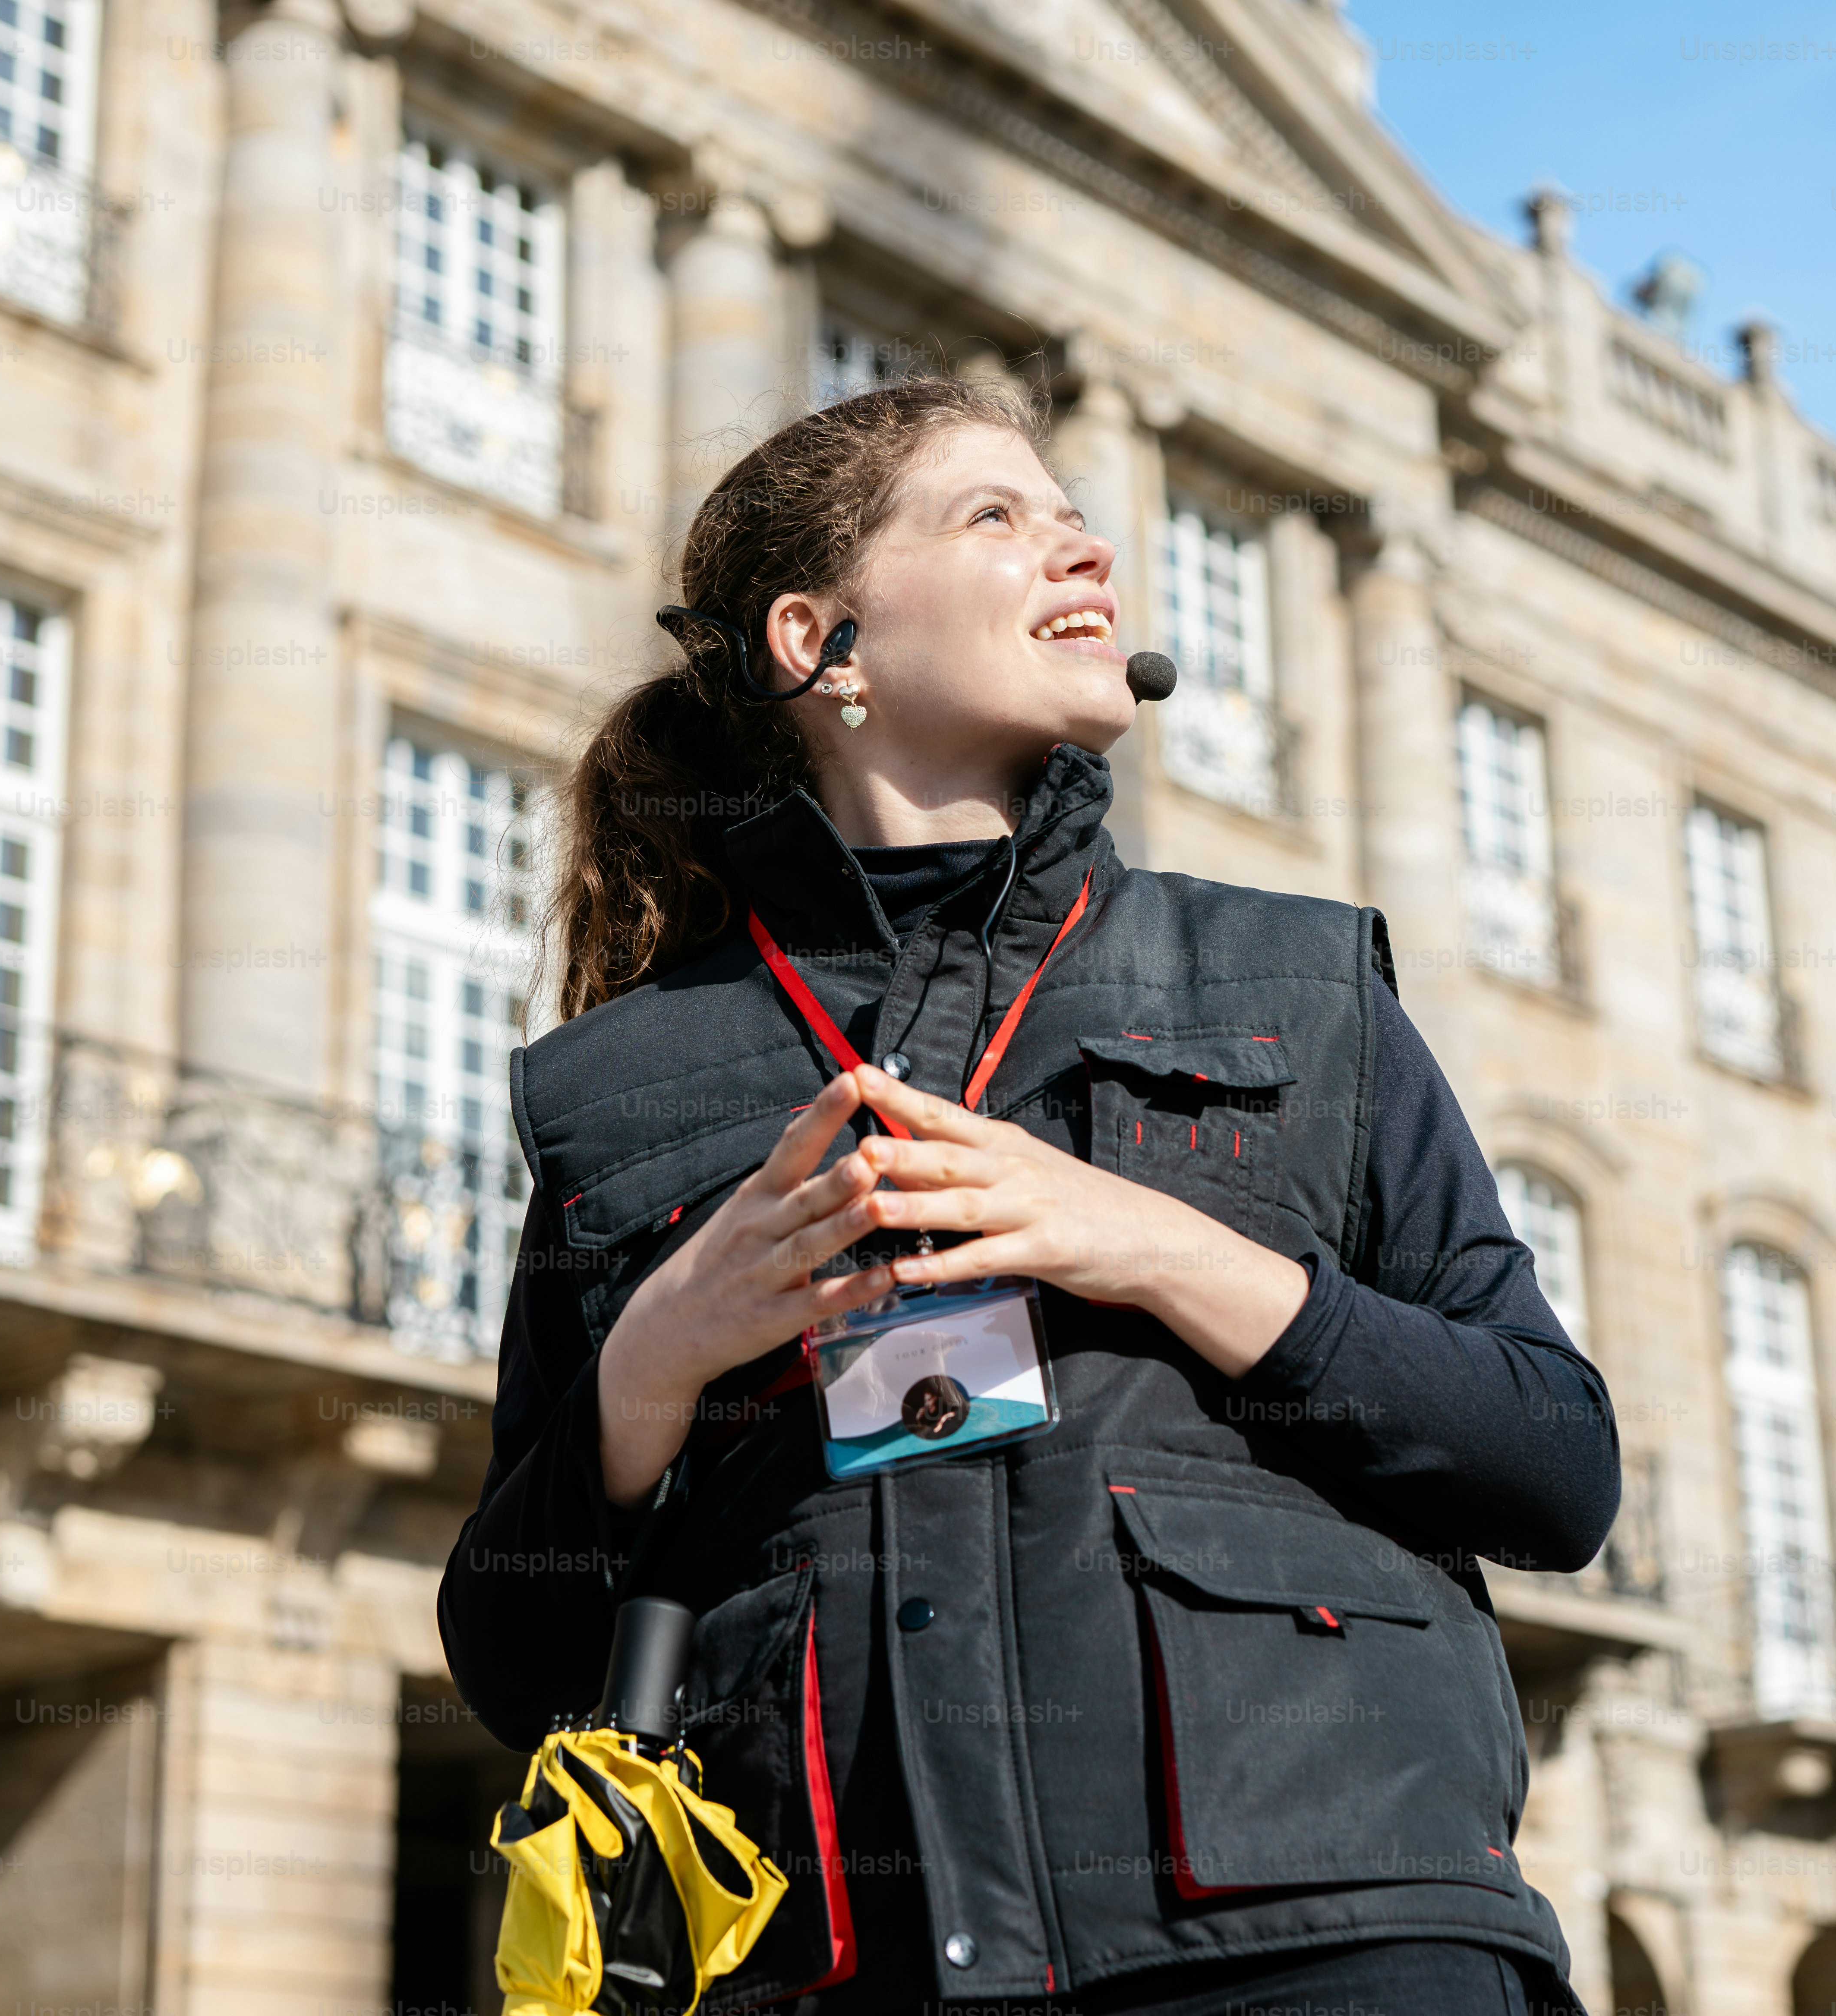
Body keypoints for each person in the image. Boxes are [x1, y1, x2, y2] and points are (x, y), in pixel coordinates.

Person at [438, 375, 1618, 2016]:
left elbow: (1556, 1468)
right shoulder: (617, 1083)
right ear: (816, 642)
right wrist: (655, 1360)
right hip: (851, 1972)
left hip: (1326, 1948)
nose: (1085, 555)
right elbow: (512, 1661)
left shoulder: (1298, 981)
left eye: (1076, 521)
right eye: (996, 516)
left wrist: (1164, 1249)